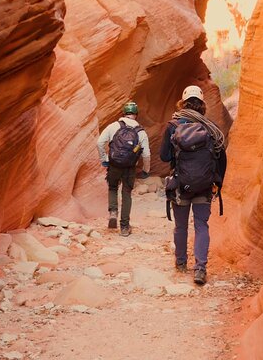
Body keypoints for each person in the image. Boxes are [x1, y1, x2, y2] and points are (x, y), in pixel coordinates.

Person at [160, 85, 227, 285]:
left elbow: (164, 156)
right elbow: (221, 157)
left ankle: (181, 263)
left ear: (183, 102)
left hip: (180, 184)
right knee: (201, 225)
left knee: (181, 226)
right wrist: (218, 182)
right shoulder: (210, 127)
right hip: (204, 185)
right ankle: (200, 269)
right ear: (202, 104)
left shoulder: (173, 125)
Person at [97, 101, 151, 236]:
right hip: (130, 167)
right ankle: (125, 227)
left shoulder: (113, 126)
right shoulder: (140, 132)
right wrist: (146, 170)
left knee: (113, 188)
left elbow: (100, 143)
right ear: (136, 115)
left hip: (114, 164)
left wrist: (105, 160)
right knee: (126, 193)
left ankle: (113, 213)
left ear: (123, 113)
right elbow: (146, 154)